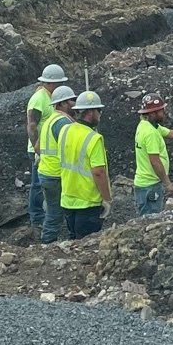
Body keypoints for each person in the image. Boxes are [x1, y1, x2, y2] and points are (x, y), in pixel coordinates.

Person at [57, 90, 112, 239]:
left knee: (73, 243)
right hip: (88, 203)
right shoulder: (94, 138)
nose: (100, 114)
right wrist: (107, 199)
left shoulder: (65, 130)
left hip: (68, 199)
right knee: (87, 246)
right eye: (99, 110)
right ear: (90, 112)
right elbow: (98, 172)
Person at [25, 62, 68, 233]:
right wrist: (36, 146)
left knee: (43, 184)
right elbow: (31, 124)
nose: (61, 86)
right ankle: (36, 217)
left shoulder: (51, 96)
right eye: (59, 83)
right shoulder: (39, 99)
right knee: (37, 185)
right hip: (38, 149)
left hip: (48, 148)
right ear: (50, 83)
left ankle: (47, 214)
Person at [35, 82, 77, 243]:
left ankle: (50, 242)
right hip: (56, 175)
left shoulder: (50, 120)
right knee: (56, 212)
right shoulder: (63, 123)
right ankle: (47, 244)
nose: (75, 103)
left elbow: (38, 146)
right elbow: (73, 149)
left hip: (46, 172)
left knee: (54, 210)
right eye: (72, 100)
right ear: (63, 103)